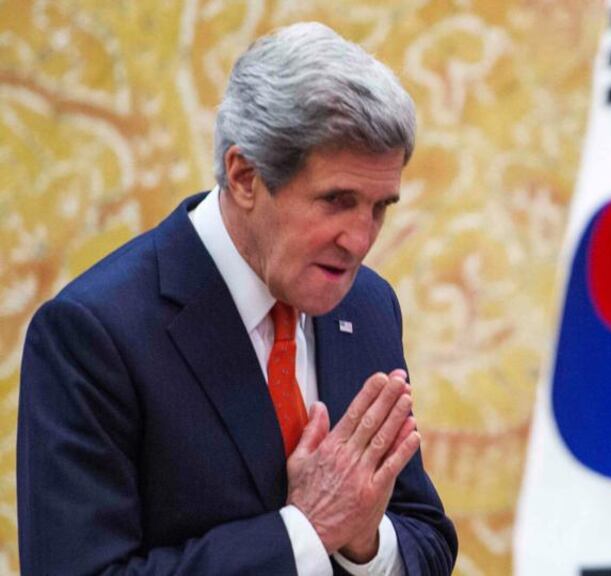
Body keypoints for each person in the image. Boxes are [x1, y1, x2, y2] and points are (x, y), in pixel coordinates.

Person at [17, 22, 457, 575]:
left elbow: (424, 533)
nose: (361, 239)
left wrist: (365, 542)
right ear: (245, 176)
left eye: (379, 207)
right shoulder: (94, 334)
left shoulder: (366, 305)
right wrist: (304, 533)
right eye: (337, 201)